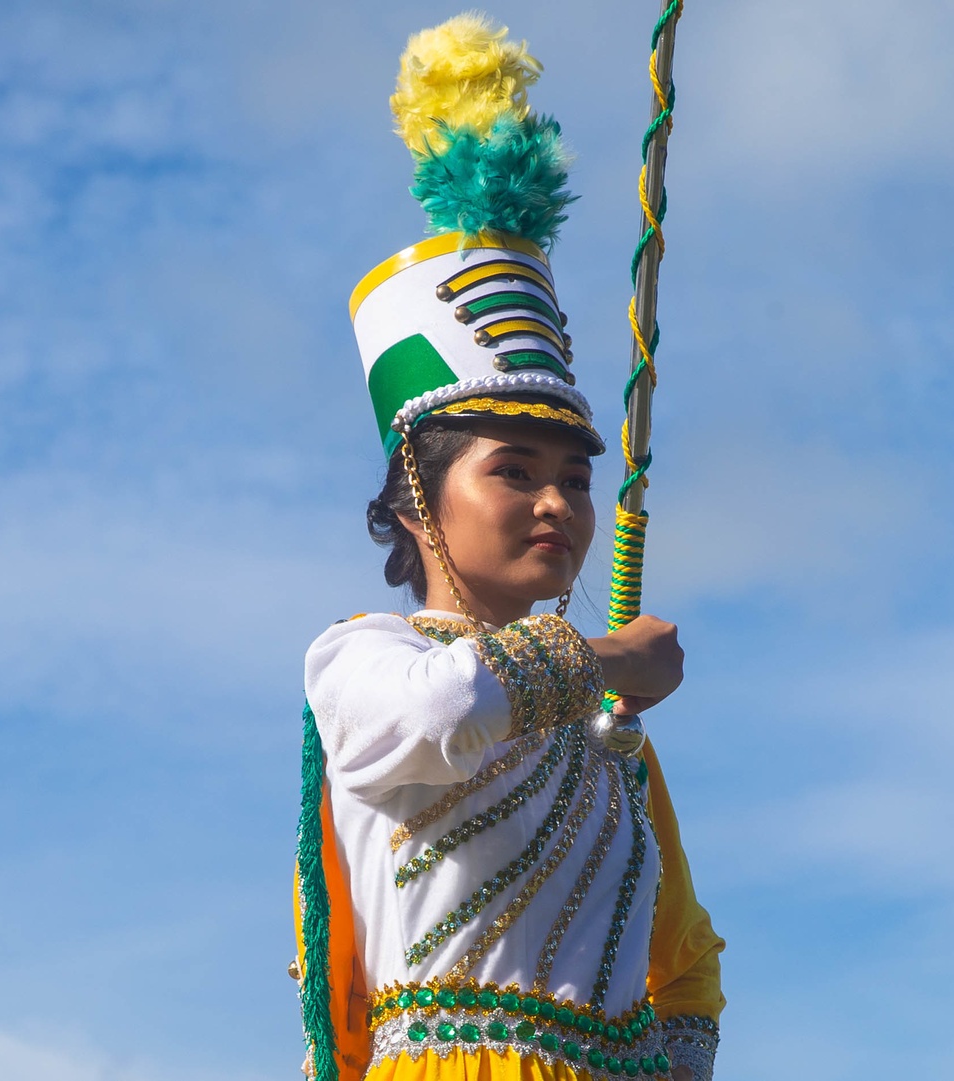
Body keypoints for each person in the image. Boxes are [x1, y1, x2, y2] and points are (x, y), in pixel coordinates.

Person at [292, 15, 724, 1081]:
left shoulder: (611, 734)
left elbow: (685, 958)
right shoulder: (360, 661)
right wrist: (605, 660)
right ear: (413, 500)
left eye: (575, 478)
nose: (556, 504)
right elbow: (442, 708)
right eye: (515, 472)